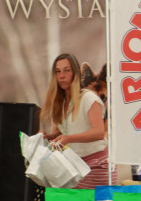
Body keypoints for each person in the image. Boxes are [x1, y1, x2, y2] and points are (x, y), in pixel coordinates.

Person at [40, 53, 114, 188]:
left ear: (76, 73)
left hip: (96, 166)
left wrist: (68, 138)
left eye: (67, 70)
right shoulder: (61, 102)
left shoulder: (89, 98)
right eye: (57, 71)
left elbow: (98, 133)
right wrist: (50, 136)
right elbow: (71, 130)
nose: (61, 76)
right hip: (74, 166)